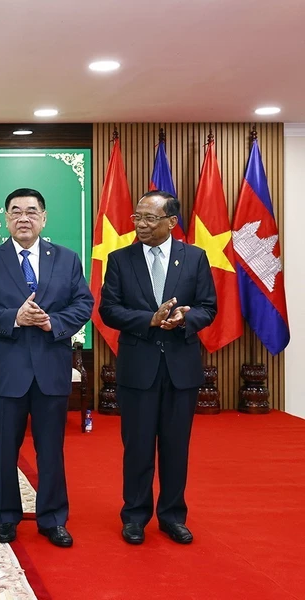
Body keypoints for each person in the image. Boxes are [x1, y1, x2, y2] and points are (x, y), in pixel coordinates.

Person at [0, 187, 93, 548]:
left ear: (44, 217)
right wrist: (14, 317)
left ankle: (53, 519)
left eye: (32, 211)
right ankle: (5, 518)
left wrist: (53, 323)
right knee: (4, 450)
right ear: (6, 218)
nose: (24, 218)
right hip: (7, 371)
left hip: (52, 368)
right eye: (16, 211)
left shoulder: (66, 259)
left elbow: (84, 303)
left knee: (51, 450)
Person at [99, 190, 216, 546]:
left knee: (176, 446)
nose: (141, 225)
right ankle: (134, 516)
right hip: (138, 367)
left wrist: (185, 317)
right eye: (137, 218)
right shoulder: (120, 259)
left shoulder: (195, 258)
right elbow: (108, 310)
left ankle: (172, 516)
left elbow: (208, 307)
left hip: (181, 368)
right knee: (137, 447)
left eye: (150, 218)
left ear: (171, 222)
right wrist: (148, 319)